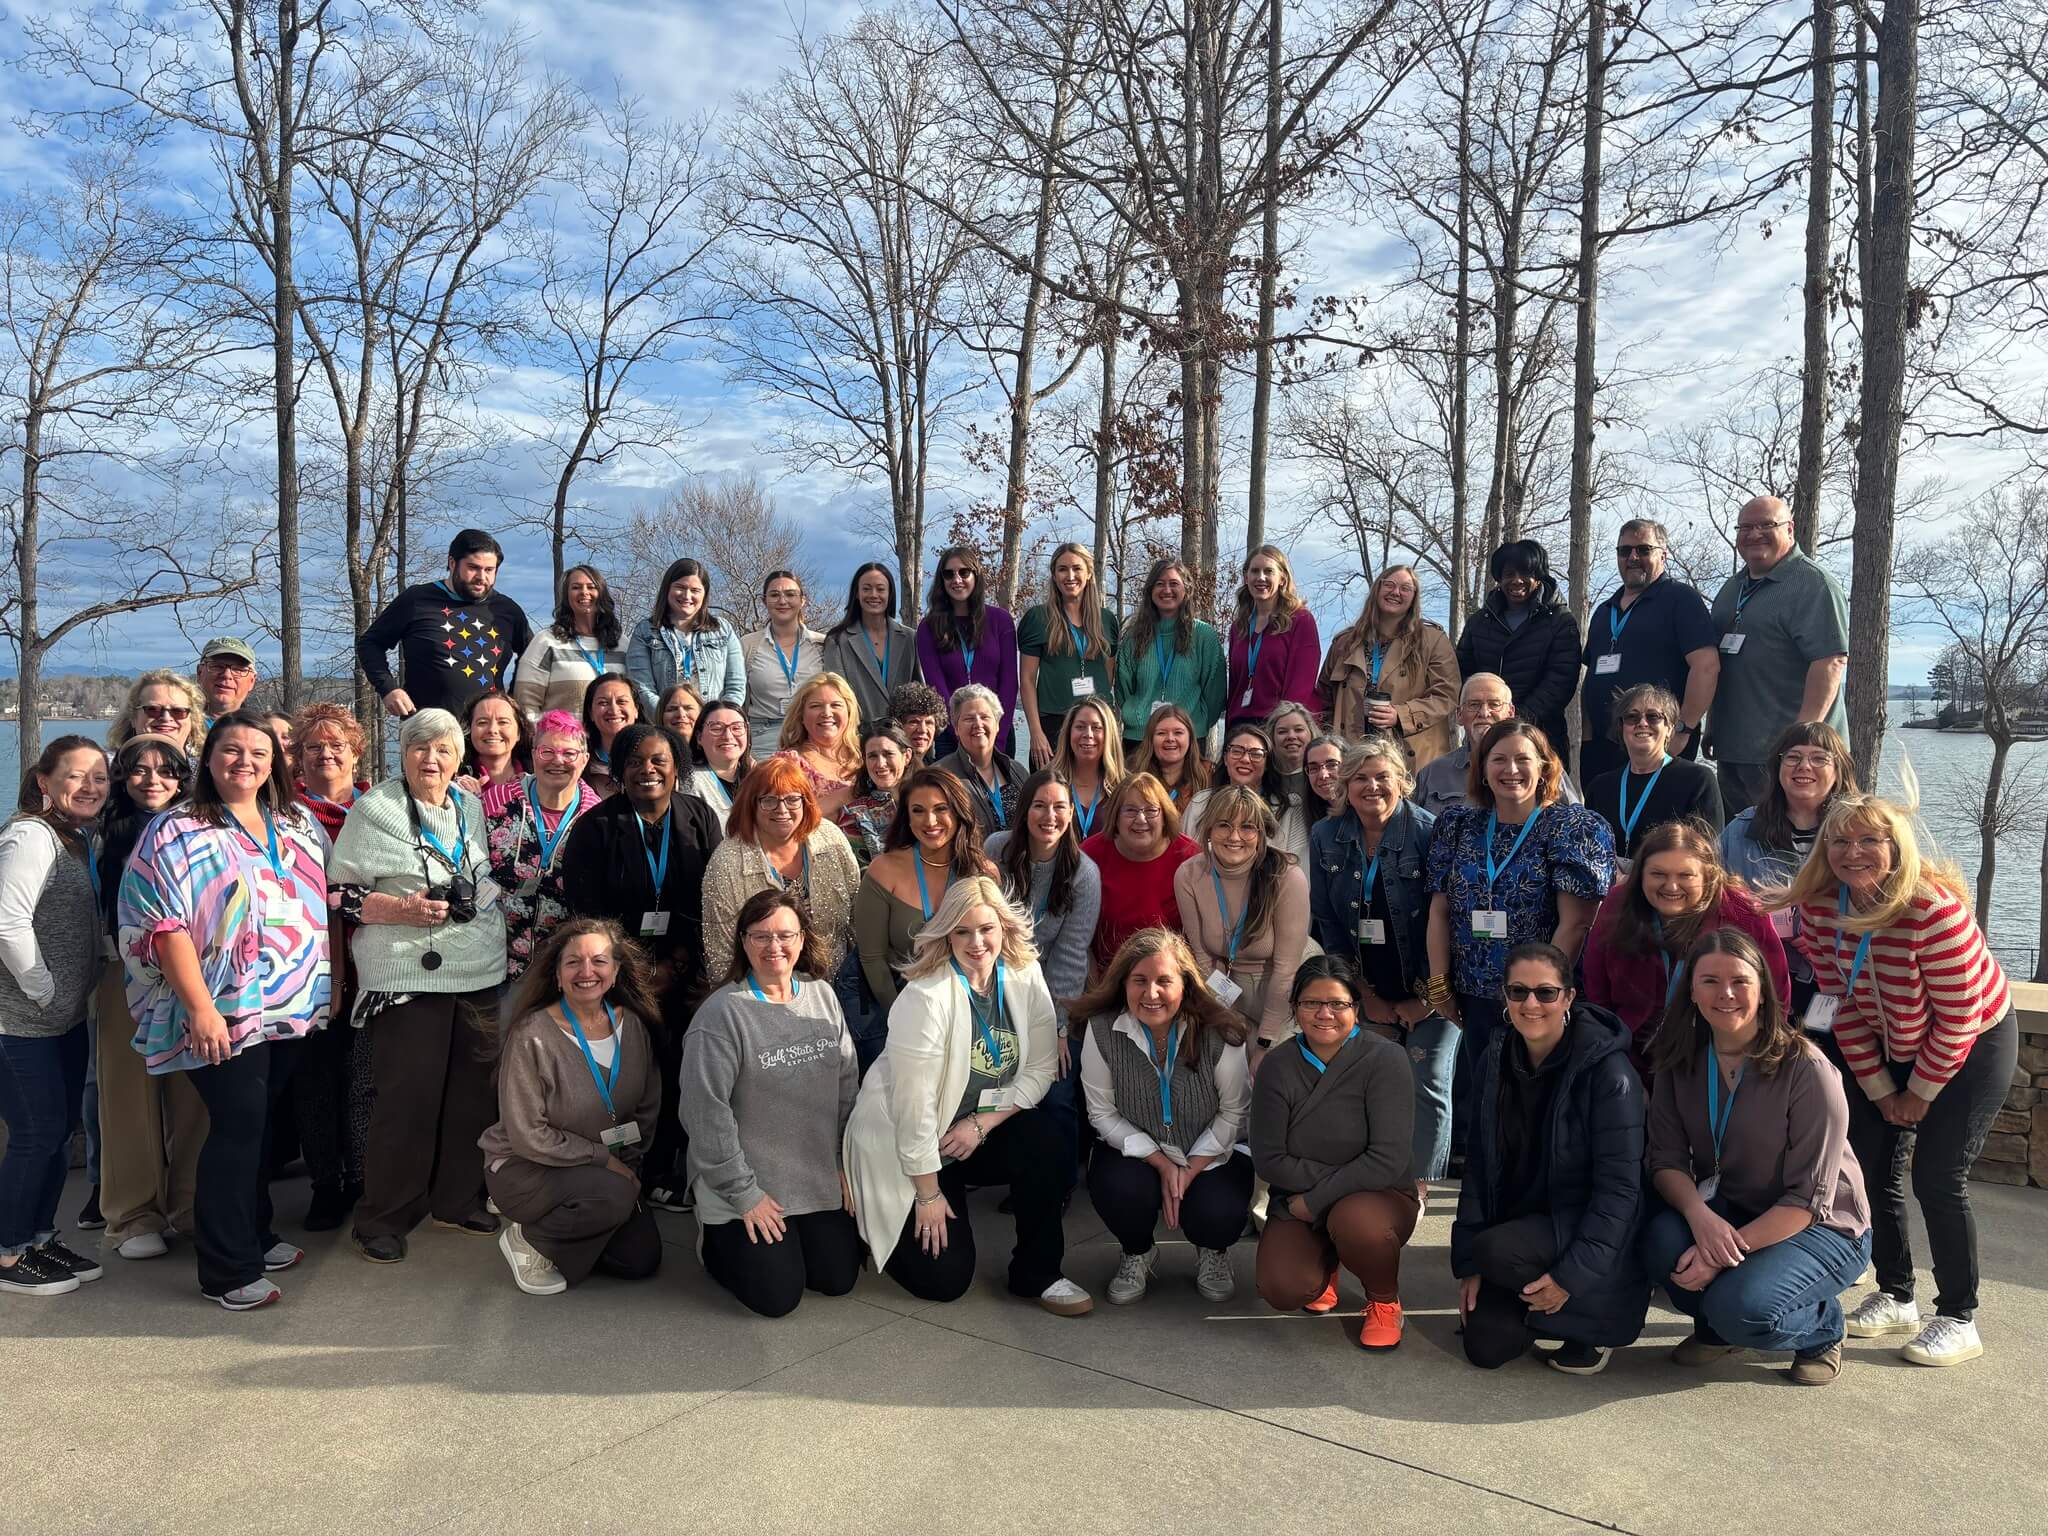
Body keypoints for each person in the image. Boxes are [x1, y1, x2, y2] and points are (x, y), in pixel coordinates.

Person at [1779, 794, 2017, 1368]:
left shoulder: (1932, 910)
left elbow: (1958, 1018)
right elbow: (1843, 1002)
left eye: (1869, 841)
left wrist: (1920, 1093)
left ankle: (1959, 1315)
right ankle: (1896, 1292)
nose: (1852, 853)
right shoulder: (1819, 909)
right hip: (1888, 1039)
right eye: (1839, 841)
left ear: (1895, 848)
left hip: (1974, 1040)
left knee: (1939, 1177)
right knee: (1872, 1165)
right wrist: (1883, 1089)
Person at [119, 714, 332, 1308]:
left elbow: (325, 903)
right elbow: (161, 926)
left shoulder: (297, 822)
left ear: (275, 764)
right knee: (236, 1125)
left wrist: (329, 985)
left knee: (262, 1121)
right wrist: (201, 1008)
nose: (245, 761)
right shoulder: (177, 829)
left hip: (291, 1002)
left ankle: (256, 1232)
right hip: (220, 1006)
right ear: (208, 759)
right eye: (231, 750)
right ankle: (226, 1269)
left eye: (258, 752)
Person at [841, 876, 1092, 1315]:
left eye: (986, 929)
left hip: (973, 1130)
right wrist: (928, 1196)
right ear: (946, 934)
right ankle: (859, 1217)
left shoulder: (1023, 973)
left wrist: (982, 1125)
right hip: (913, 1145)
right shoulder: (926, 997)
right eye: (962, 931)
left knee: (1050, 1133)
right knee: (943, 1281)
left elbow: (1040, 1069)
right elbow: (913, 1111)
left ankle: (1039, 1273)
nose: (977, 943)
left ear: (1004, 929)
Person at [1643, 929, 1870, 1386]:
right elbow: (1664, 1160)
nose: (1725, 994)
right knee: (1657, 1246)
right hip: (1729, 1208)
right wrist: (1699, 1219)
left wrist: (1718, 1256)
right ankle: (1717, 1327)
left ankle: (1822, 1328)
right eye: (1709, 980)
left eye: (1739, 981)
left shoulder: (1808, 1070)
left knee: (1743, 1309)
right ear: (1691, 990)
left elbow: (1808, 1200)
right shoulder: (1679, 1059)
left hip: (1821, 1226)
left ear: (1763, 989)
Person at [329, 708, 505, 1264]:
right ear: (402, 754)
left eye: (445, 750)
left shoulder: (471, 806)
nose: (432, 760)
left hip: (478, 967)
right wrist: (399, 909)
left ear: (459, 758)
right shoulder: (375, 809)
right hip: (408, 971)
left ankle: (457, 1197)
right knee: (408, 1098)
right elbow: (340, 892)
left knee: (471, 1096)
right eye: (420, 748)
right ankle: (384, 1215)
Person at [1452, 943, 1647, 1374]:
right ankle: (1537, 1308)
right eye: (1517, 992)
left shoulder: (1611, 1075)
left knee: (1497, 1249)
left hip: (1582, 1225)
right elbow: (1480, 1170)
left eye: (1546, 992)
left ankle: (1589, 1322)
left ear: (1570, 998)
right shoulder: (1495, 1057)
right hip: (1523, 1227)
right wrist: (1471, 1265)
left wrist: (1569, 1279)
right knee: (1486, 1348)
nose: (1531, 1003)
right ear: (1504, 997)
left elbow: (1620, 1194)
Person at [559, 723, 723, 1214]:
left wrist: (677, 961)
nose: (646, 770)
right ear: (619, 769)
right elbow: (584, 910)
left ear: (677, 768)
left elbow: (710, 897)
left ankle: (673, 1166)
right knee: (629, 1073)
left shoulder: (699, 817)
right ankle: (625, 1167)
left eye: (658, 760)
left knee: (679, 1066)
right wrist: (633, 970)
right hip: (618, 977)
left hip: (683, 971)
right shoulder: (596, 826)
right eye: (634, 761)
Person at [681, 890, 862, 1317]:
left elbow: (846, 1083)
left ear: (802, 939)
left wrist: (842, 1160)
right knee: (777, 1297)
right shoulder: (721, 1015)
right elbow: (705, 1113)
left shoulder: (821, 996)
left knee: (837, 1279)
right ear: (743, 941)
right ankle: (713, 1239)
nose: (774, 947)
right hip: (746, 1181)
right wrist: (744, 1195)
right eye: (760, 936)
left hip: (810, 1173)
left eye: (784, 935)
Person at [1424, 720, 1613, 1124]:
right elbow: (1440, 909)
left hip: (1540, 1002)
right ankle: (1489, 1187)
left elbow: (1576, 923)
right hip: (1476, 996)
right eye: (1499, 759)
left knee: (1539, 1108)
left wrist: (1542, 995)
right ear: (1482, 769)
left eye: (1523, 759)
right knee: (1488, 1106)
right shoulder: (1457, 825)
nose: (1511, 770)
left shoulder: (1570, 828)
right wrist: (1439, 984)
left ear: (1544, 768)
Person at [481, 918, 662, 1295]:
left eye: (599, 961)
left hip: (602, 1172)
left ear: (615, 972)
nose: (586, 972)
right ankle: (530, 1240)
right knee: (613, 1197)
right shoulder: (532, 1035)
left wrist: (626, 1161)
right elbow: (529, 1135)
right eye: (573, 962)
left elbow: (646, 1107)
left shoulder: (635, 1028)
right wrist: (603, 1160)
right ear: (557, 975)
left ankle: (581, 1224)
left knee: (640, 1259)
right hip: (527, 1167)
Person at [1072, 929, 1252, 1304]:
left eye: (1163, 981)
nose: (1151, 993)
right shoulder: (1102, 1030)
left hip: (1208, 1153)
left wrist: (1188, 1170)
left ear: (1185, 984)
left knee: (1218, 1213)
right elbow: (1101, 1112)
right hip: (1138, 1149)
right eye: (1139, 980)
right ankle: (1137, 1251)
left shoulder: (1220, 1030)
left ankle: (1213, 1251)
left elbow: (1235, 1111)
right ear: (1123, 984)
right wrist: (1160, 1162)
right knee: (1119, 1188)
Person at [1250, 957, 1419, 1350]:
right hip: (1296, 1195)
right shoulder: (1277, 1065)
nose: (1325, 1013)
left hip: (1379, 1196)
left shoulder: (1386, 1059)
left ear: (1355, 1009)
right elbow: (1269, 1158)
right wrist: (1313, 1197)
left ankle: (1383, 1300)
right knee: (1282, 1287)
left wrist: (1317, 1200)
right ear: (1294, 1008)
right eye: (1311, 1003)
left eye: (1338, 1004)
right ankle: (1327, 1266)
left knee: (1357, 1221)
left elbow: (1387, 1158)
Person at [1307, 740, 1453, 1189]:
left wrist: (1426, 1003)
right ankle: (1371, 1173)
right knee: (1368, 1082)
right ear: (1345, 787)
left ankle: (1416, 1185)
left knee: (1425, 1080)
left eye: (1381, 776)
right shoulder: (1325, 837)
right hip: (1364, 986)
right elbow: (1328, 922)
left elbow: (1451, 925)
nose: (1372, 786)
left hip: (1431, 984)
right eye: (1360, 778)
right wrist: (1363, 996)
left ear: (1402, 781)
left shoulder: (1432, 833)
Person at [0, 739, 110, 1297]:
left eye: (98, 777)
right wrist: (46, 992)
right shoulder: (28, 836)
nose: (89, 786)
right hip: (17, 1024)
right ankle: (8, 1250)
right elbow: (6, 923)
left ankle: (39, 1236)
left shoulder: (75, 839)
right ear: (44, 781)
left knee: (54, 1130)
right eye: (75, 776)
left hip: (59, 1020)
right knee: (37, 1133)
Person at [95, 736, 206, 1260]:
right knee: (129, 1096)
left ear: (184, 776)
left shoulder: (202, 827)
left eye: (166, 769)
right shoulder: (102, 834)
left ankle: (191, 1206)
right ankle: (133, 1215)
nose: (153, 779)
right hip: (124, 974)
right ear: (122, 778)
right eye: (138, 770)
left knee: (195, 1095)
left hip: (191, 976)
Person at [1581, 820, 1788, 1074]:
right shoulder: (1618, 906)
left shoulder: (1743, 913)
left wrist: (1754, 1063)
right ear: (1640, 874)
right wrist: (1617, 1065)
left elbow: (1776, 990)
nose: (1671, 886)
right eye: (1658, 874)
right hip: (1633, 1058)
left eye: (1685, 875)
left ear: (1708, 875)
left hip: (1720, 1059)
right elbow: (1597, 990)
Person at [1705, 495, 1851, 818]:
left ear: (1790, 528)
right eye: (1746, 527)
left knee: (1791, 851)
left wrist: (1799, 741)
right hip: (1735, 752)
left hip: (1793, 761)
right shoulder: (1732, 589)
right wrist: (1713, 725)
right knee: (1741, 850)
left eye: (1766, 525)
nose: (1754, 534)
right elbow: (1721, 665)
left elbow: (1830, 662)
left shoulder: (1813, 584)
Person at [986, 769, 1102, 1171]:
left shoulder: (1083, 874)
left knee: (1055, 1090)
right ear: (1024, 811)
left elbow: (1070, 958)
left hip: (1048, 998)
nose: (1049, 816)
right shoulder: (998, 850)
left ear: (1071, 813)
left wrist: (1057, 1029)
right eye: (1039, 805)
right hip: (994, 991)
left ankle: (1060, 1177)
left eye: (1059, 806)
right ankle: (1011, 1171)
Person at [1719, 723, 1859, 1048]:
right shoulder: (1741, 831)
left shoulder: (1859, 834)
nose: (1803, 766)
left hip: (1840, 984)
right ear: (1778, 767)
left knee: (1827, 1071)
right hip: (1761, 980)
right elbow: (1713, 901)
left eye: (1819, 758)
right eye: (1793, 756)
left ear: (1839, 768)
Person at [289, 704, 371, 1232]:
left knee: (364, 1076)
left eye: (336, 744)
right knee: (314, 1079)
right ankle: (324, 1183)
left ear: (355, 751)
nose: (326, 754)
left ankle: (363, 1179)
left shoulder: (378, 807)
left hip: (371, 963)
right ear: (299, 756)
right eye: (314, 746)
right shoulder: (284, 810)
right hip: (308, 966)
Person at [853, 768, 994, 1062]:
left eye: (941, 809)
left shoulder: (983, 873)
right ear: (906, 816)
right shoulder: (884, 870)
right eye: (918, 810)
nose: (929, 821)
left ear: (959, 812)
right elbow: (872, 959)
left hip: (969, 1014)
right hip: (904, 1014)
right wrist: (904, 1021)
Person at [1580, 519, 1720, 787]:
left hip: (1659, 743)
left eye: (1643, 549)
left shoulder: (1681, 599)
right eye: (1625, 551)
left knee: (1660, 826)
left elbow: (1707, 666)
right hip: (1603, 749)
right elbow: (1591, 676)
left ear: (1663, 555)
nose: (1633, 557)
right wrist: (1587, 738)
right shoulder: (1603, 611)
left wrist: (1683, 729)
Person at [1176, 785, 1310, 1065]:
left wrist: (1265, 1041)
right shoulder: (1189, 874)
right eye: (1224, 825)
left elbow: (1287, 970)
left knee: (1271, 1070)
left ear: (1261, 834)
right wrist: (1228, 1017)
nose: (1235, 837)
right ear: (1209, 829)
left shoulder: (1287, 877)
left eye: (1248, 827)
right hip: (1228, 985)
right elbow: (1202, 958)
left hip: (1287, 991)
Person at [702, 756, 862, 979]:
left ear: (805, 802)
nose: (782, 809)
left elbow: (857, 919)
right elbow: (720, 953)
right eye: (769, 800)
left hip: (836, 987)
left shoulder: (830, 838)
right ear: (751, 804)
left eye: (792, 799)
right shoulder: (727, 861)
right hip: (762, 995)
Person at [355, 528, 534, 720]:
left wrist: (515, 700)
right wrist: (388, 689)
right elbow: (370, 643)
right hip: (427, 730)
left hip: (486, 732)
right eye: (473, 567)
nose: (482, 577)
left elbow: (534, 656)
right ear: (452, 563)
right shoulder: (417, 600)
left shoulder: (506, 610)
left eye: (489, 570)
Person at [484, 710, 602, 981]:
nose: (557, 761)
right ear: (534, 753)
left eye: (569, 753)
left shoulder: (597, 818)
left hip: (564, 970)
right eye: (547, 751)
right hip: (495, 962)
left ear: (583, 760)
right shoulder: (496, 801)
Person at [1320, 566, 1459, 772]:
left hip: (1410, 758)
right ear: (1377, 589)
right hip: (1351, 754)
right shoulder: (1344, 643)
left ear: (1414, 597)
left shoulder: (1433, 640)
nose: (1396, 592)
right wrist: (1328, 742)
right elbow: (1323, 697)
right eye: (1389, 585)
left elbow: (1447, 695)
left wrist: (1402, 715)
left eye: (1405, 588)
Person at [1454, 541, 1582, 762]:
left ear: (1539, 576)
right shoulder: (1479, 622)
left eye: (1525, 573)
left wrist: (1516, 719)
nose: (1516, 580)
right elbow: (1463, 670)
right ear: (1498, 578)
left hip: (1542, 734)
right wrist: (1484, 711)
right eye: (1508, 574)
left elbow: (1561, 680)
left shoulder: (1561, 621)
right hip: (1484, 732)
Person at [1584, 683, 1724, 866]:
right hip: (1609, 887)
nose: (1642, 723)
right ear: (1621, 728)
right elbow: (1588, 849)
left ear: (1670, 728)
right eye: (1632, 717)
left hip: (1669, 887)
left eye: (1653, 717)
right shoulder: (1600, 787)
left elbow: (1706, 856)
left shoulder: (1698, 781)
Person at [1412, 673, 1583, 818]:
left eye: (1494, 704)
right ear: (1459, 715)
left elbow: (1577, 823)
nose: (1484, 713)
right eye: (1474, 704)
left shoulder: (1542, 767)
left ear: (1511, 713)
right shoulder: (1433, 774)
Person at [1081, 773, 1200, 971]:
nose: (1141, 819)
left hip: (1173, 977)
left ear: (1164, 816)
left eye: (1151, 810)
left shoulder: (1190, 857)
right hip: (1106, 976)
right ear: (1116, 816)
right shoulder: (1090, 854)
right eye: (1130, 810)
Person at [1018, 542, 1120, 769]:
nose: (1070, 575)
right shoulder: (1038, 618)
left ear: (1089, 573)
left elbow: (1109, 673)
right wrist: (1035, 732)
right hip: (1053, 723)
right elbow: (1026, 680)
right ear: (1054, 575)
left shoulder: (1107, 620)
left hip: (1098, 723)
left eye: (1077, 568)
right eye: (1062, 569)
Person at [1114, 558, 1227, 752]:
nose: (1167, 590)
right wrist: (1137, 718)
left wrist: (1195, 724)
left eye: (1174, 583)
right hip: (1139, 739)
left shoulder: (1203, 635)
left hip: (1186, 739)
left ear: (1187, 590)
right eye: (1160, 584)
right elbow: (1123, 688)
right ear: (1150, 591)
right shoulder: (1134, 636)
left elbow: (1215, 692)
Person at [916, 546, 1019, 757]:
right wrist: (960, 733)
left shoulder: (1001, 621)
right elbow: (936, 686)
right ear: (941, 580)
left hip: (997, 731)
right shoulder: (928, 628)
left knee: (1001, 790)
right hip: (952, 736)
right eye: (949, 574)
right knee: (953, 791)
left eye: (964, 572)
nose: (957, 579)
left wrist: (996, 736)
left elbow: (1009, 682)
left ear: (976, 575)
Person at [626, 557, 747, 714]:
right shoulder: (646, 631)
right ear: (667, 589)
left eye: (695, 590)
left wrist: (717, 720)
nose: (687, 595)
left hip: (714, 728)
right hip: (665, 729)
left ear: (704, 595)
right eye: (680, 587)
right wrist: (668, 718)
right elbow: (642, 688)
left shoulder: (723, 630)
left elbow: (736, 686)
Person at [512, 564, 628, 721]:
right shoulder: (547, 642)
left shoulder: (622, 644)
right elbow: (526, 705)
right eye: (576, 587)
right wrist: (546, 740)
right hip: (564, 743)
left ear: (601, 593)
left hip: (616, 743)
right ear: (566, 596)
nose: (584, 592)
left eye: (591, 587)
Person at [1226, 544, 1324, 728]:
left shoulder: (1301, 620)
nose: (1260, 577)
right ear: (1246, 578)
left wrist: (1282, 725)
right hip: (1241, 726)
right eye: (1255, 571)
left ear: (1282, 579)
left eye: (1268, 571)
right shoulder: (1238, 628)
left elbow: (1300, 685)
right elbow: (1235, 687)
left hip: (1281, 727)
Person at [1187, 721, 1309, 863]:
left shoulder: (1290, 808)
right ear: (1225, 758)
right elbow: (1187, 858)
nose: (1245, 759)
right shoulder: (1200, 803)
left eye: (1256, 754)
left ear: (1267, 763)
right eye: (1237, 751)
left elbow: (1297, 865)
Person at [822, 561, 920, 734]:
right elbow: (837, 695)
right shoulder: (838, 641)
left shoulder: (910, 638)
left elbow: (919, 690)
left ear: (890, 594)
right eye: (866, 588)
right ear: (857, 594)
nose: (873, 594)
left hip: (904, 739)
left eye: (880, 589)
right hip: (858, 738)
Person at [743, 570, 827, 762]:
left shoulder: (823, 645)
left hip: (812, 736)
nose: (782, 601)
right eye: (774, 595)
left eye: (790, 594)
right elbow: (739, 700)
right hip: (763, 738)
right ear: (764, 601)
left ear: (803, 600)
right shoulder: (747, 645)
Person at [932, 684, 1026, 838]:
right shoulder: (940, 776)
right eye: (969, 718)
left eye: (985, 717)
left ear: (997, 725)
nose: (978, 724)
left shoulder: (1017, 770)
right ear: (956, 728)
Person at [776, 671, 863, 820]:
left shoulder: (869, 754)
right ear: (801, 715)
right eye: (816, 706)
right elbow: (785, 818)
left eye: (836, 705)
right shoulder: (788, 764)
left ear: (849, 712)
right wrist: (843, 796)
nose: (827, 713)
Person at [1049, 695, 1124, 842]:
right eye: (1080, 727)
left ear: (1109, 734)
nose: (1088, 734)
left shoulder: (1125, 786)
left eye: (1096, 728)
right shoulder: (1047, 782)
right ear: (1069, 732)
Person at [838, 722, 913, 866]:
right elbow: (859, 869)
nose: (880, 763)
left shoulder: (928, 799)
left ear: (907, 756)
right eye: (872, 756)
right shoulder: (854, 814)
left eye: (888, 754)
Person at [107, 669, 208, 759]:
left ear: (192, 720)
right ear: (133, 717)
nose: (166, 718)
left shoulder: (208, 772)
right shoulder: (104, 768)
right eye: (153, 710)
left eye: (178, 711)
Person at [683, 700, 750, 833]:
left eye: (736, 728)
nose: (728, 736)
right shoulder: (690, 782)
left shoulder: (758, 776)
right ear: (699, 737)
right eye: (716, 728)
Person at [1130, 703, 1208, 815]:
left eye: (1178, 733)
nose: (1170, 739)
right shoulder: (1133, 777)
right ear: (1151, 739)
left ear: (1190, 738)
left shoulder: (1208, 776)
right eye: (1161, 733)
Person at [579, 674, 641, 797]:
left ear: (636, 710)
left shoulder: (655, 754)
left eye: (621, 701)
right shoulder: (579, 762)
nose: (613, 709)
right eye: (603, 703)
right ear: (591, 713)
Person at [461, 690, 532, 795]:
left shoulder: (536, 781)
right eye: (482, 722)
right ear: (469, 730)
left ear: (519, 733)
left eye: (503, 722)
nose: (492, 730)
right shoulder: (456, 783)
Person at [194, 637, 259, 722]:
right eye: (217, 666)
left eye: (238, 669)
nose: (227, 675)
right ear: (199, 672)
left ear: (252, 681)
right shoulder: (176, 726)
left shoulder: (262, 732)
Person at [884, 680, 946, 766]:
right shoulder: (886, 769)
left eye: (929, 723)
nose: (922, 730)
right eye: (914, 722)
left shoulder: (937, 772)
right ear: (897, 725)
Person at [1303, 733, 1348, 821]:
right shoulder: (1319, 826)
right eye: (1313, 768)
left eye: (1332, 765)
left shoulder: (1366, 814)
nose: (1323, 775)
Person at [655, 683, 703, 759]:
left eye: (688, 708)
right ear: (661, 715)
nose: (681, 714)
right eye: (672, 709)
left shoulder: (714, 754)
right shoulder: (652, 755)